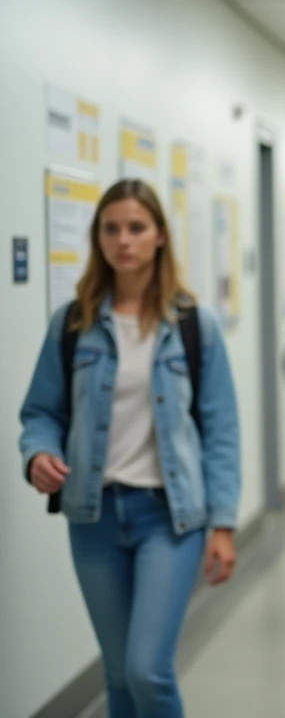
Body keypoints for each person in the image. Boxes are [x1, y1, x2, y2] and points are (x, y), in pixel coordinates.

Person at [19, 179, 241, 718]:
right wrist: (38, 454)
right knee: (118, 675)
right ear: (97, 237)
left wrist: (223, 523)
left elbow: (221, 431)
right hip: (93, 518)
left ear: (160, 235)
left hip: (168, 518)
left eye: (137, 228)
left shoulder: (194, 326)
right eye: (111, 229)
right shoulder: (73, 324)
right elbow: (41, 412)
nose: (124, 240)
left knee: (147, 670)